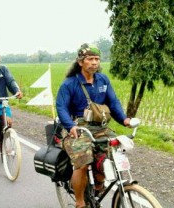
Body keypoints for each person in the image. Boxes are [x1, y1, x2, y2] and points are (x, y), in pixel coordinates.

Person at [56, 43, 131, 208]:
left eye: (97, 59)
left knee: (116, 153)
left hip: (101, 128)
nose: (94, 62)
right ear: (81, 62)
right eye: (90, 59)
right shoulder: (69, 84)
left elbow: (113, 102)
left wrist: (125, 120)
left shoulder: (103, 80)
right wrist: (70, 127)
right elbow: (61, 107)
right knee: (82, 163)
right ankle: (80, 201)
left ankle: (98, 182)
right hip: (79, 129)